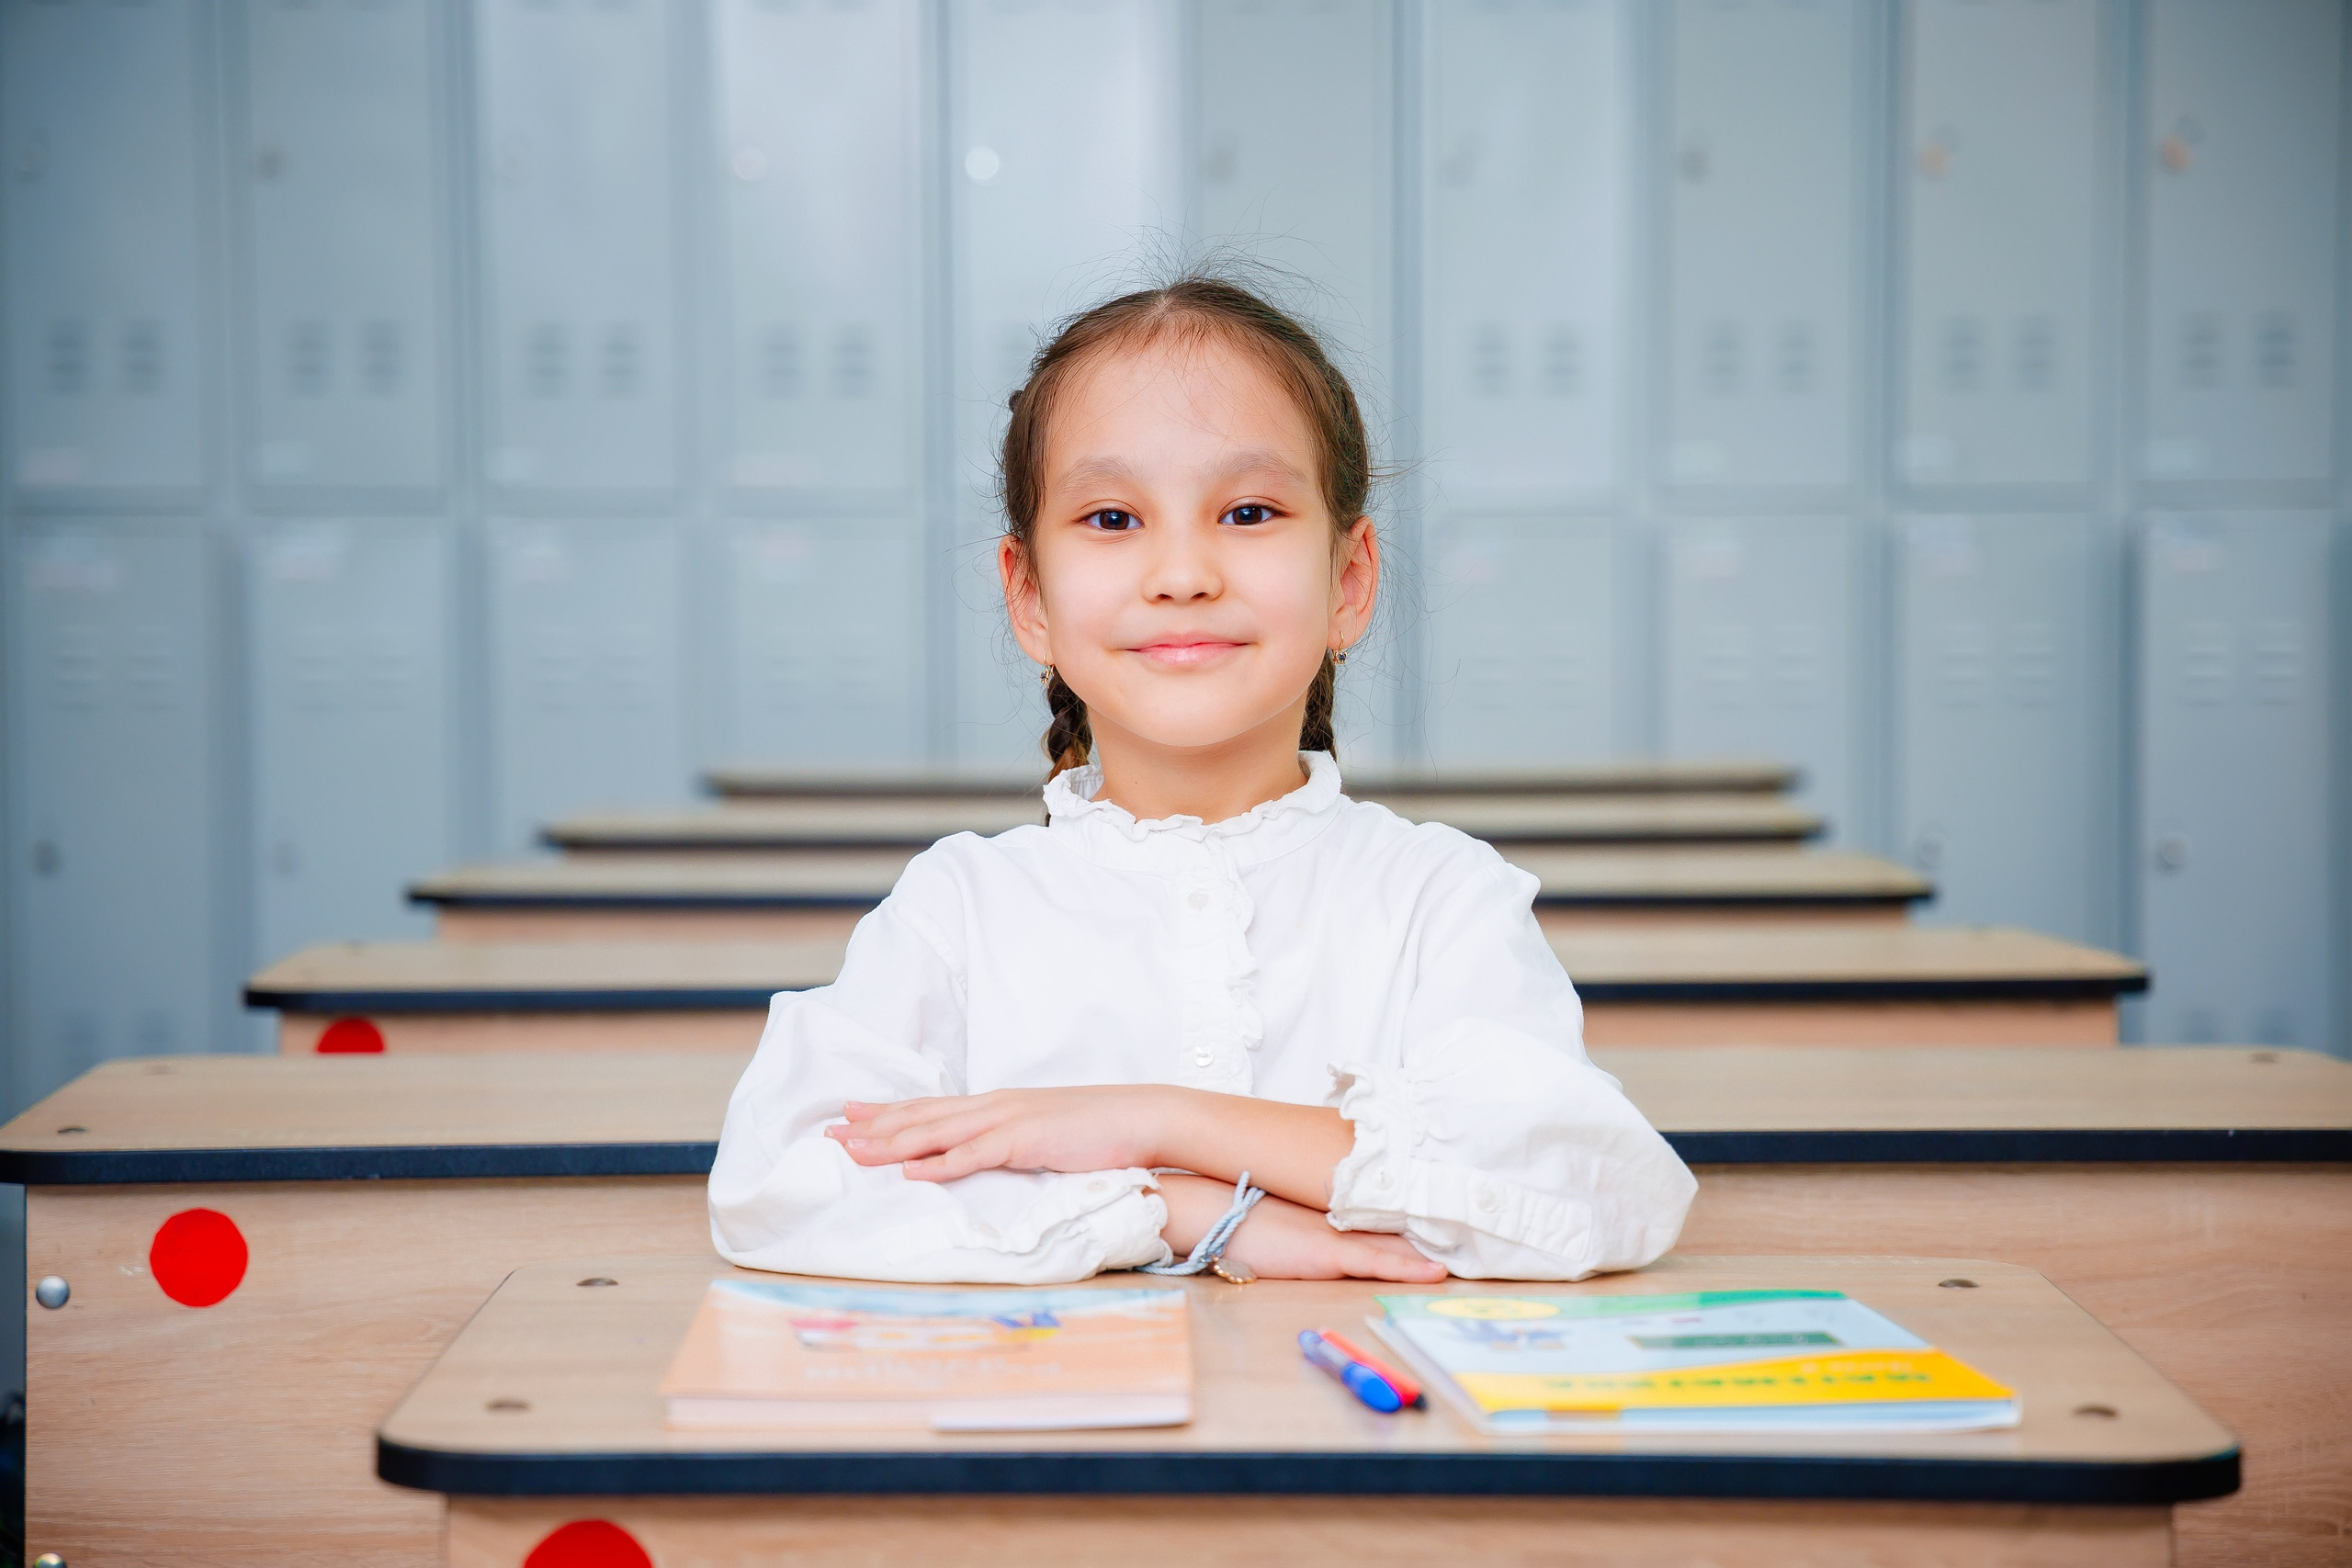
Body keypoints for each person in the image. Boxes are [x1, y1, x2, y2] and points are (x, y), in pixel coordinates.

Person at [709, 273, 1694, 1285]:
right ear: (1029, 596)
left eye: (1249, 510)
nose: (1182, 573)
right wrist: (1175, 1207)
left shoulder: (1439, 898)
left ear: (1347, 581)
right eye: (1110, 520)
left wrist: (1153, 1117)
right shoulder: (960, 910)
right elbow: (781, 1185)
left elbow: (1587, 1191)